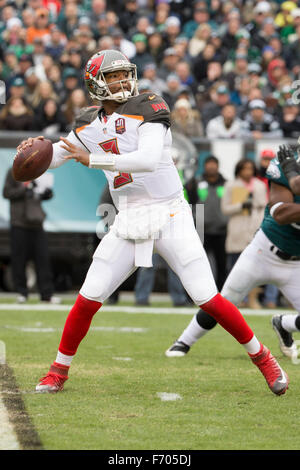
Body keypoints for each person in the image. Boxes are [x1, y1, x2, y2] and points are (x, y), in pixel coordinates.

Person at [17, 50, 288, 395]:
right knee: (89, 295)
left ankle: (262, 356)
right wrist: (35, 152)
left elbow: (145, 160)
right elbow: (60, 153)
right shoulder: (88, 121)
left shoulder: (149, 106)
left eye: (124, 74)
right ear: (96, 84)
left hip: (170, 212)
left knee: (206, 296)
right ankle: (58, 371)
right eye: (112, 77)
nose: (122, 81)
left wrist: (94, 159)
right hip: (127, 218)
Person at [166, 145, 300, 362]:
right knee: (225, 300)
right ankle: (184, 341)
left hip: (296, 262)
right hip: (264, 250)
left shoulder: (268, 180)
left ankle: (283, 324)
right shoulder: (285, 163)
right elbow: (282, 213)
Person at [3, 169, 60, 304]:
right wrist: (25, 188)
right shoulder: (13, 172)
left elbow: (39, 195)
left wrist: (47, 194)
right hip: (19, 223)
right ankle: (22, 292)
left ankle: (46, 295)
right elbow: (6, 193)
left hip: (37, 223)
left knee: (43, 259)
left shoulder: (37, 172)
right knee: (19, 259)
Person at [185, 155, 228, 291]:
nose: (211, 167)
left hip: (222, 230)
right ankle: (196, 293)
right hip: (201, 229)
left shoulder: (226, 183)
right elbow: (189, 203)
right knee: (198, 263)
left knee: (222, 264)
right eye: (208, 164)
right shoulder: (195, 182)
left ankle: (221, 294)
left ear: (218, 166)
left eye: (213, 164)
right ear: (204, 166)